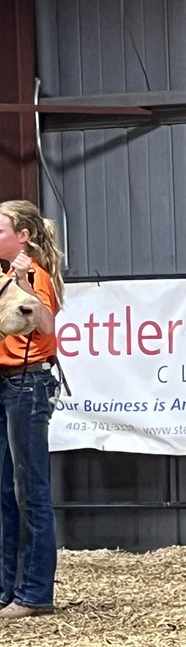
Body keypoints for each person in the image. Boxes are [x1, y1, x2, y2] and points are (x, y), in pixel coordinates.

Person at [0, 199, 63, 619]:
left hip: (27, 382)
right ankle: (8, 588)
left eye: (0, 228)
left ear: (22, 236)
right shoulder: (6, 276)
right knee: (7, 489)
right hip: (8, 383)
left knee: (30, 490)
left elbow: (45, 326)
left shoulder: (32, 276)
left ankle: (35, 594)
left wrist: (23, 279)